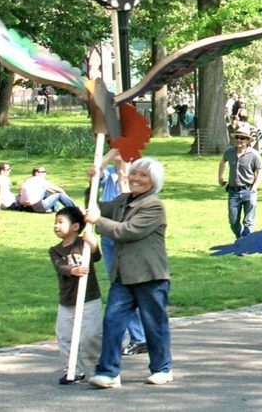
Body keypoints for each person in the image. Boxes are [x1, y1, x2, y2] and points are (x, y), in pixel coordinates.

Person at [86, 157, 173, 388]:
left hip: (150, 276)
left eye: (143, 175)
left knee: (154, 324)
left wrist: (99, 222)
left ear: (153, 181)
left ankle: (162, 368)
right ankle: (108, 372)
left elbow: (128, 231)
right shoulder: (122, 200)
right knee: (113, 322)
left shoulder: (154, 205)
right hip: (123, 276)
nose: (136, 178)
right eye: (134, 173)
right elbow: (96, 209)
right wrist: (96, 180)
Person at [92, 149, 147, 356]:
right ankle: (139, 336)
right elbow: (96, 173)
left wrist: (119, 155)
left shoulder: (136, 180)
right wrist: (107, 158)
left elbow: (127, 192)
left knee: (126, 287)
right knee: (119, 285)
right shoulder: (110, 175)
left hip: (123, 234)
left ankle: (140, 336)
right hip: (108, 234)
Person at [49, 206, 103, 385]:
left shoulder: (83, 244)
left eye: (60, 222)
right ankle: (72, 370)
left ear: (75, 226)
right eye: (55, 222)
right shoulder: (56, 250)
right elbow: (60, 266)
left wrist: (93, 243)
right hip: (67, 300)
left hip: (89, 298)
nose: (56, 226)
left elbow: (96, 257)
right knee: (64, 336)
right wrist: (74, 269)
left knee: (90, 336)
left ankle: (99, 367)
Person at [218, 124, 262, 239]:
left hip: (248, 190)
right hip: (233, 191)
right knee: (233, 221)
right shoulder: (229, 151)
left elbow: (260, 172)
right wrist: (220, 178)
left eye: (242, 138)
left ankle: (244, 244)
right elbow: (223, 162)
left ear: (248, 140)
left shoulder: (254, 155)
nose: (239, 140)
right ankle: (240, 239)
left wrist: (254, 188)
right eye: (237, 137)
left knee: (248, 221)